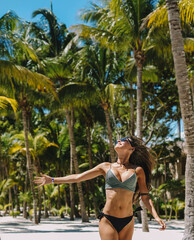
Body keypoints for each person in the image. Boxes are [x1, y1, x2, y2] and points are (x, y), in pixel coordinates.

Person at [34, 136, 166, 240]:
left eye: (125, 140)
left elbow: (145, 197)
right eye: (119, 139)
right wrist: (52, 180)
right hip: (108, 219)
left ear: (132, 148)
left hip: (127, 221)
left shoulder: (137, 170)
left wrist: (156, 216)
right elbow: (78, 177)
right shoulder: (105, 166)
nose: (119, 140)